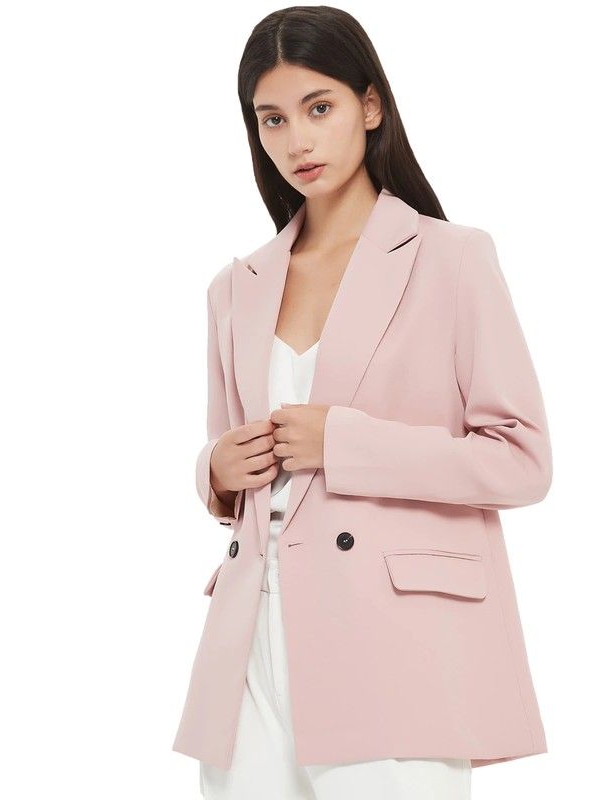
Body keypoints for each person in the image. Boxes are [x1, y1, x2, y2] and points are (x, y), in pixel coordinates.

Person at [172, 7, 553, 799]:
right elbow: (232, 465)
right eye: (273, 119)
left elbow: (522, 459)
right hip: (251, 639)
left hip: (394, 639)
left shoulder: (451, 259)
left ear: (370, 106)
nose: (297, 142)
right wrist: (214, 470)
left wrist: (343, 443)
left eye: (320, 108)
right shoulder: (234, 288)